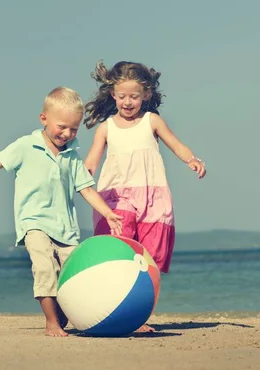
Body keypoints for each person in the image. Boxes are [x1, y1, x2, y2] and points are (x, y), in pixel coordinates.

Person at [0, 87, 123, 337]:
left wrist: (108, 213)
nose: (67, 133)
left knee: (74, 276)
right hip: (33, 223)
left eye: (73, 129)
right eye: (61, 127)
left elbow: (87, 190)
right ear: (43, 119)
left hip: (66, 229)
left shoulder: (72, 156)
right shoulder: (26, 145)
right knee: (44, 268)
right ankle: (51, 323)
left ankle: (65, 315)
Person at [82, 61, 207, 332]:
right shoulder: (106, 127)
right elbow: (91, 162)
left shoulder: (152, 121)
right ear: (113, 94)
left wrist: (192, 160)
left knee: (146, 259)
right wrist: (80, 177)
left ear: (146, 95)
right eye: (122, 96)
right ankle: (111, 308)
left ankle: (138, 315)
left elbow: (176, 144)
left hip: (153, 195)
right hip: (116, 197)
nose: (128, 102)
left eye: (134, 96)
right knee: (120, 252)